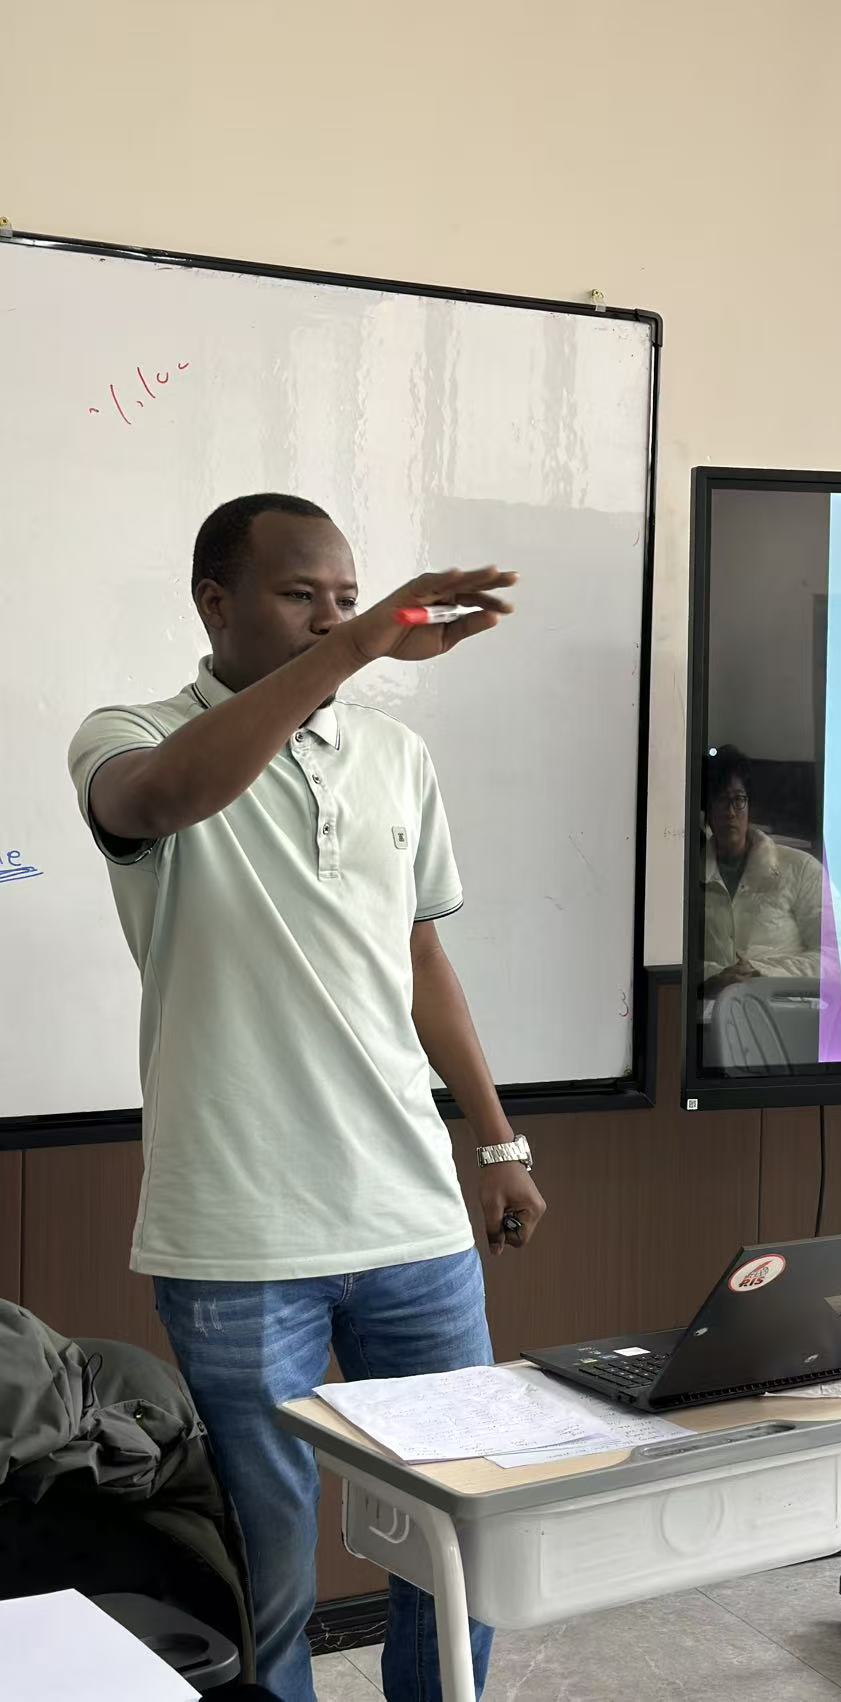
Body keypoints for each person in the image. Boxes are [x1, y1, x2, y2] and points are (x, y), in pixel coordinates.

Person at [67, 493, 546, 1702]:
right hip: (238, 1236)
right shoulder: (129, 734)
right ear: (214, 602)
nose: (334, 618)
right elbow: (160, 801)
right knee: (269, 1563)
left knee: (458, 1535)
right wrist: (366, 641)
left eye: (347, 596)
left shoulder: (395, 755)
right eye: (301, 596)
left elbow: (420, 956)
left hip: (413, 1220)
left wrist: (498, 1144)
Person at [700, 745, 841, 995]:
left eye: (738, 800)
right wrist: (714, 979)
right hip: (714, 1011)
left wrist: (762, 973)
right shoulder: (687, 878)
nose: (730, 812)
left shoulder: (802, 868)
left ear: (750, 805)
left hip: (787, 1009)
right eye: (720, 800)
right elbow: (679, 959)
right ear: (707, 812)